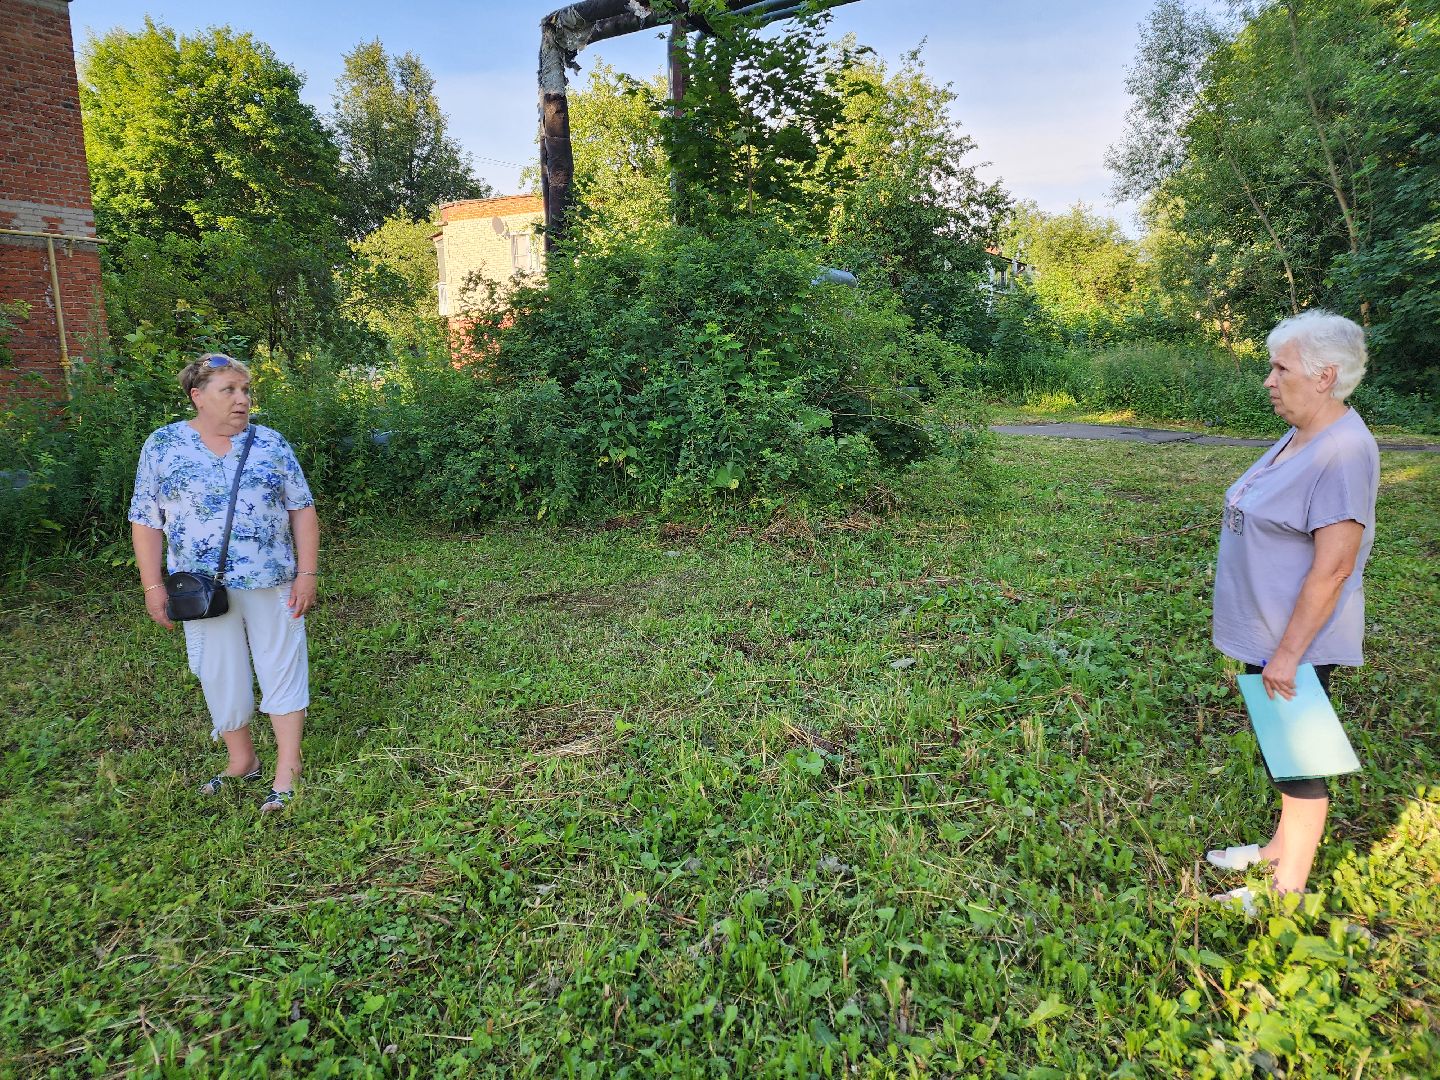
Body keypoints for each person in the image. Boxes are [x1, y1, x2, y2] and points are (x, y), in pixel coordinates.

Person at [1206, 309, 1379, 912]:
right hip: (1269, 632)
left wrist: (1287, 654)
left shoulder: (1343, 451)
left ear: (1325, 376)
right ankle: (1279, 850)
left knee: (1299, 761)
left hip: (1296, 640)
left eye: (1281, 368)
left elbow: (1334, 567)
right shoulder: (1304, 433)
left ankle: (1288, 892)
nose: (1269, 380)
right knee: (1278, 748)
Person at [129, 353, 319, 813]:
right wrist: (152, 586)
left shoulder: (270, 443)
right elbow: (145, 519)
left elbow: (302, 509)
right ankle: (242, 760)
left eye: (245, 390)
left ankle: (288, 768)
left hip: (271, 579)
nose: (242, 400)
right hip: (199, 588)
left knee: (281, 665)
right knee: (218, 670)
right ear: (197, 396)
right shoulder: (163, 445)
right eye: (229, 390)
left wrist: (307, 573)